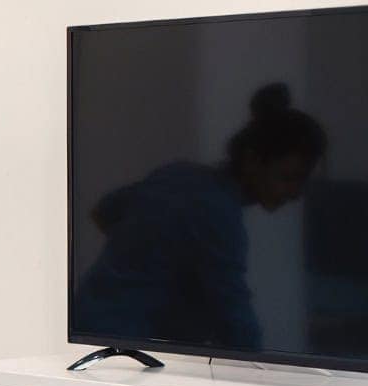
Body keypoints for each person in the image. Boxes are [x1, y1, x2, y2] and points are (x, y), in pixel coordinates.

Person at [73, 82, 328, 350]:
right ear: (252, 161)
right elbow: (234, 317)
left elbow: (105, 211)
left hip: (88, 325)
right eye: (287, 178)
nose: (295, 193)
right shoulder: (218, 214)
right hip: (128, 345)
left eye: (301, 181)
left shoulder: (179, 174)